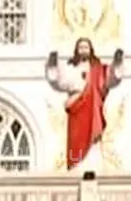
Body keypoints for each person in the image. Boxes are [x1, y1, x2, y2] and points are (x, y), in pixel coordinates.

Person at [45, 38, 124, 171]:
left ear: (91, 50)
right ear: (76, 50)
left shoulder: (98, 70)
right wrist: (53, 64)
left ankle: (93, 169)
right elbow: (59, 82)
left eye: (86, 47)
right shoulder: (71, 69)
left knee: (93, 144)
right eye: (80, 47)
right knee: (76, 143)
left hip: (93, 111)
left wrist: (117, 63)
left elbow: (110, 79)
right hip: (77, 112)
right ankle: (76, 169)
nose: (83, 50)